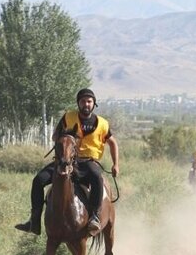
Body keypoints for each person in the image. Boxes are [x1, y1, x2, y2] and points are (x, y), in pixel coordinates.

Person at [15, 88, 119, 236]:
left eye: (89, 101)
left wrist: (116, 164)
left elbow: (113, 143)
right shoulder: (68, 117)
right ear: (78, 103)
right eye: (83, 101)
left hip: (88, 162)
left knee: (96, 177)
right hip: (66, 159)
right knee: (38, 180)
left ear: (94, 104)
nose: (86, 104)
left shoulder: (102, 123)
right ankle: (34, 221)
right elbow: (55, 136)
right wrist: (64, 139)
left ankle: (95, 217)